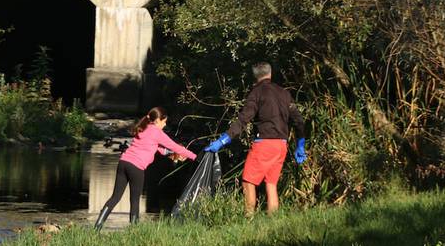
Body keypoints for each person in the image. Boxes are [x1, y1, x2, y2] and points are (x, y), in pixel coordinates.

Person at [204, 62, 306, 216]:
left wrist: (224, 140)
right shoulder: (284, 93)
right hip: (281, 146)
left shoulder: (256, 93)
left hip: (264, 144)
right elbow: (298, 120)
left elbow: (243, 119)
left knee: (248, 181)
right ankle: (273, 221)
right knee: (271, 184)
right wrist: (300, 144)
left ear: (255, 76)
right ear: (270, 73)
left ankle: (248, 217)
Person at [94, 107, 197, 230]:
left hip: (123, 163)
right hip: (136, 168)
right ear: (158, 120)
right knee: (135, 201)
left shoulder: (143, 128)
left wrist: (170, 154)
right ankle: (135, 231)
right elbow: (176, 147)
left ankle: (97, 227)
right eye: (164, 122)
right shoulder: (157, 132)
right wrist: (195, 157)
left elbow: (157, 148)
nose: (164, 125)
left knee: (115, 197)